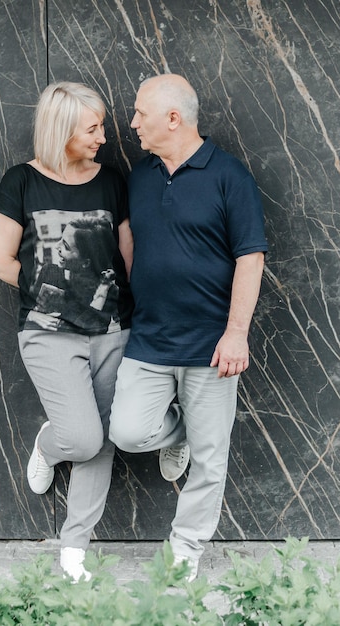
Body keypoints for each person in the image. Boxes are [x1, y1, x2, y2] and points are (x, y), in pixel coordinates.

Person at [109, 74, 267, 581]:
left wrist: (236, 332)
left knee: (210, 459)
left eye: (140, 113)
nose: (131, 122)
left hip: (212, 346)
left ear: (173, 119)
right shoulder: (140, 177)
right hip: (150, 340)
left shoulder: (229, 176)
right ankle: (180, 431)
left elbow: (251, 256)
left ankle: (187, 546)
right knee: (129, 432)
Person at [0, 81, 134, 582]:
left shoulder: (112, 181)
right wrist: (52, 290)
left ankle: (74, 549)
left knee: (106, 440)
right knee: (82, 437)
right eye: (91, 128)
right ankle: (51, 444)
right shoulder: (21, 182)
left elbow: (127, 257)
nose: (102, 137)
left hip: (113, 330)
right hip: (47, 332)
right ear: (62, 130)